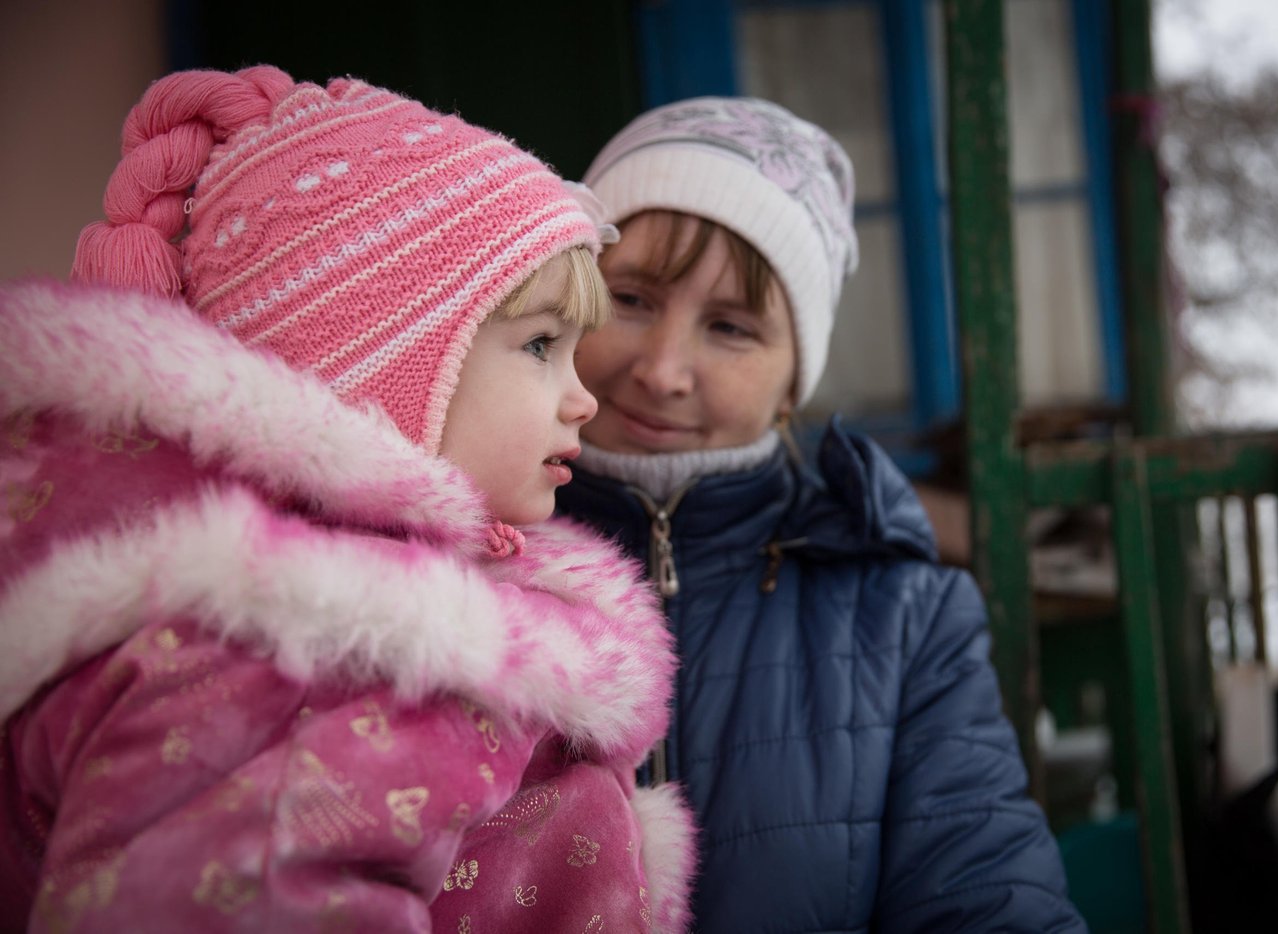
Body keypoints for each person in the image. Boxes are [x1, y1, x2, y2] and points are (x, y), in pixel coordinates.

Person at [0, 66, 695, 932]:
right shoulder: (326, 655)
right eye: (541, 345)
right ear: (383, 374)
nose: (581, 396)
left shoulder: (378, 617)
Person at [555, 96, 1087, 931]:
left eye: (730, 327)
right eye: (631, 298)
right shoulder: (461, 554)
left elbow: (986, 896)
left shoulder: (905, 622)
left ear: (793, 378)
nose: (663, 369)